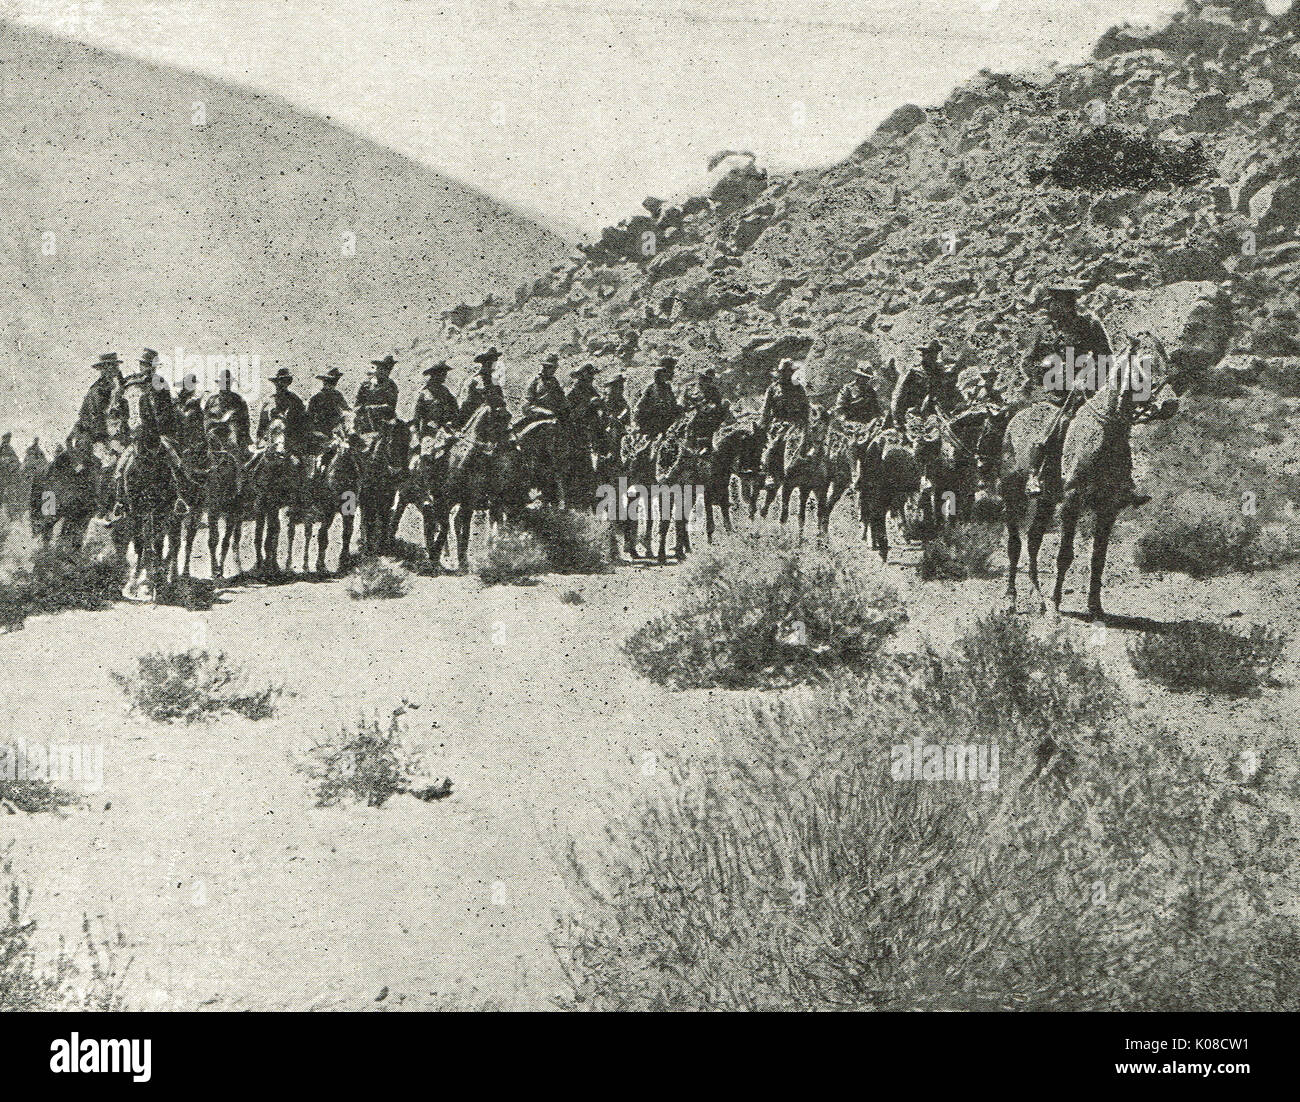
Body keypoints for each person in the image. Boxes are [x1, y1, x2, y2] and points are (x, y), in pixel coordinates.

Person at [890, 340, 957, 427]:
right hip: (914, 415)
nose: (931, 357)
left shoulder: (940, 373)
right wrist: (897, 419)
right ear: (923, 355)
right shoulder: (913, 373)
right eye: (926, 354)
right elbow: (899, 395)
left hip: (937, 414)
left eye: (934, 354)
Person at [256, 367, 309, 456]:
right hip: (270, 438)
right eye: (278, 382)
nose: (280, 385)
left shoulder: (295, 400)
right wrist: (260, 439)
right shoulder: (269, 401)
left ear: (287, 383)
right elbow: (262, 423)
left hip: (291, 439)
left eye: (284, 381)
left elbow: (302, 422)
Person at [75, 352, 124, 443]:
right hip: (94, 436)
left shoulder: (114, 384)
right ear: (105, 368)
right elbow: (97, 417)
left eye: (116, 365)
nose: (117, 368)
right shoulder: (99, 389)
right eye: (113, 366)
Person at [203, 365, 253, 452]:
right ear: (219, 384)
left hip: (233, 435)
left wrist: (247, 439)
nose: (226, 385)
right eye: (224, 383)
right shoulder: (212, 400)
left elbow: (245, 422)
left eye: (228, 383)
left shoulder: (238, 399)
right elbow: (205, 419)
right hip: (214, 435)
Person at [633, 356, 682, 439]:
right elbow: (638, 409)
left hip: (666, 424)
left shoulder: (667, 387)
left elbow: (673, 406)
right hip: (653, 427)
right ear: (661, 372)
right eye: (670, 370)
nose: (672, 373)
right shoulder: (651, 388)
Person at [518, 352, 568, 431]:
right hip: (534, 407)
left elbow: (561, 397)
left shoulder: (554, 381)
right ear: (545, 367)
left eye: (555, 368)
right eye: (552, 368)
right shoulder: (536, 380)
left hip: (551, 409)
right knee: (549, 415)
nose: (554, 370)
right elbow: (529, 399)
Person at [412, 361, 461, 438]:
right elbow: (417, 416)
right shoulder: (425, 393)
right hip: (430, 432)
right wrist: (418, 435)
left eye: (445, 374)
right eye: (442, 374)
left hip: (445, 429)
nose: (444, 376)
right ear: (435, 375)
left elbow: (455, 407)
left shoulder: (445, 390)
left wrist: (452, 422)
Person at [459, 347, 507, 422]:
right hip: (472, 414)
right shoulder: (476, 380)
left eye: (494, 362)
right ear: (484, 364)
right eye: (490, 362)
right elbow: (466, 401)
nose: (493, 365)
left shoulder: (493, 382)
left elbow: (501, 399)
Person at [354, 354, 400, 432]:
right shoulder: (366, 385)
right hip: (365, 423)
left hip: (384, 424)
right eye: (381, 368)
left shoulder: (391, 386)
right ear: (377, 369)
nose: (383, 372)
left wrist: (372, 408)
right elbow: (357, 404)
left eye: (387, 370)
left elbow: (391, 407)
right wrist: (360, 409)